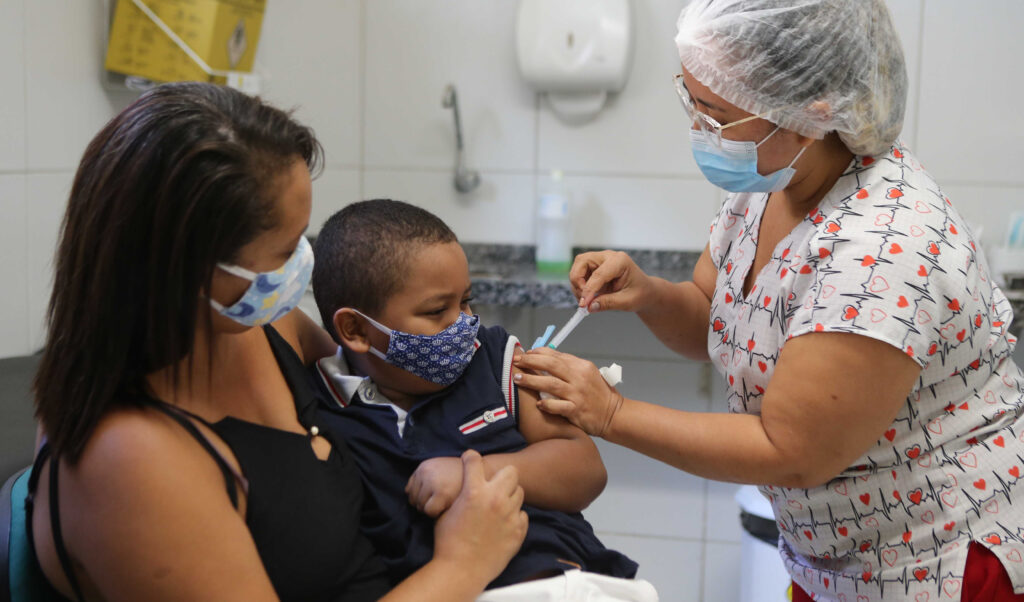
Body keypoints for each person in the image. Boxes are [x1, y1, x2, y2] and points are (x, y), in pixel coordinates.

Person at [512, 1, 1024, 601]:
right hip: (835, 559)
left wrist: (610, 414)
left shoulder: (884, 249)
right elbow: (713, 313)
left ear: (812, 113)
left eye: (718, 113)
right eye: (692, 102)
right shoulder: (772, 179)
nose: (701, 130)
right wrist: (647, 295)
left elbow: (791, 450)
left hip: (936, 563)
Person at [27, 82, 528, 602]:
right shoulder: (128, 460)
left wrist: (516, 382)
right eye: (286, 250)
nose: (300, 267)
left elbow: (394, 379)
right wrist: (462, 564)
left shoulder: (264, 330)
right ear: (190, 271)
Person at [308, 199, 658, 601]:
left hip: (563, 584)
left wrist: (473, 473)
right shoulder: (323, 412)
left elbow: (585, 470)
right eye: (439, 310)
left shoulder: (493, 360)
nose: (462, 324)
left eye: (466, 301)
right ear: (355, 329)